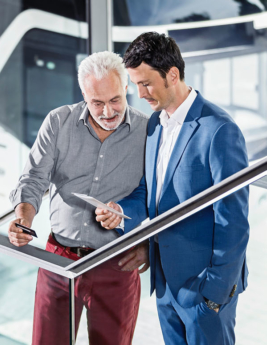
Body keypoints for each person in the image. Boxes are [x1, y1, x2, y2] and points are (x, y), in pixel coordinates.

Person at [101, 32, 249, 345]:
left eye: (146, 84)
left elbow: (233, 221)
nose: (140, 94)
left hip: (205, 294)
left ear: (173, 75)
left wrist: (215, 294)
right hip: (166, 286)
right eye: (135, 84)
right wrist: (120, 211)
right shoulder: (155, 125)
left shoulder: (219, 129)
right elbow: (149, 193)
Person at [8, 51, 149, 345]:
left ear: (125, 88)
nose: (108, 112)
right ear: (84, 94)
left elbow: (154, 193)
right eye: (97, 103)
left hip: (116, 263)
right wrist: (23, 217)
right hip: (58, 260)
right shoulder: (58, 122)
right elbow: (34, 178)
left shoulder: (148, 132)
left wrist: (130, 220)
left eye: (115, 100)